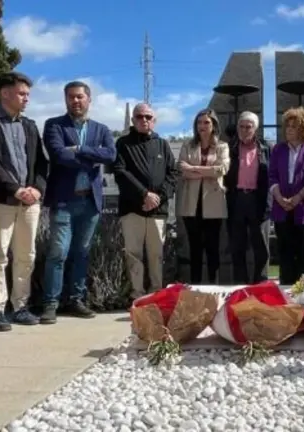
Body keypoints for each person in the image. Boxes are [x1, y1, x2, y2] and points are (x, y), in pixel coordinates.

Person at [0, 71, 48, 332]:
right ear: (5, 93)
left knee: (27, 255)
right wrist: (15, 189)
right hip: (2, 200)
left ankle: (21, 306)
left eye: (28, 94)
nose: (26, 99)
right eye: (22, 93)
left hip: (30, 203)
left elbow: (41, 163)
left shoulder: (29, 126)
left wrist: (37, 189)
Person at [40, 81, 116, 324]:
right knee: (58, 252)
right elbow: (59, 155)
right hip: (64, 200)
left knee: (81, 253)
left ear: (89, 99)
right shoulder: (54, 125)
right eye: (71, 97)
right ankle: (50, 303)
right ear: (65, 100)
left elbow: (111, 155)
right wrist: (91, 157)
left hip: (90, 202)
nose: (76, 101)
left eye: (80, 97)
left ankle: (76, 299)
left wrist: (80, 148)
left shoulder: (101, 129)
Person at [113, 103, 177, 301]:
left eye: (148, 117)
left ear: (154, 121)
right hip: (132, 210)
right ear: (133, 120)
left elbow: (173, 174)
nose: (144, 120)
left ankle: (156, 295)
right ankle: (137, 296)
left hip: (157, 211)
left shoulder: (163, 144)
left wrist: (156, 198)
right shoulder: (123, 143)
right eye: (139, 117)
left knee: (156, 256)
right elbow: (120, 172)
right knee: (134, 255)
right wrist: (144, 195)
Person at [269, 107, 304, 284]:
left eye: (294, 126)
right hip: (281, 209)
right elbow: (272, 176)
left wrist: (297, 198)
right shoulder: (278, 150)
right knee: (285, 257)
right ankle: (286, 300)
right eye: (288, 126)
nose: (289, 129)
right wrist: (279, 198)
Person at [176, 108, 230, 284]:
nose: (202, 126)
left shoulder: (222, 146)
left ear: (214, 125)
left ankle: (213, 285)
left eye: (206, 122)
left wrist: (194, 169)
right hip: (191, 204)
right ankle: (195, 285)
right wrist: (207, 172)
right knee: (195, 248)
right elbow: (182, 169)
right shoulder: (187, 145)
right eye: (199, 122)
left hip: (213, 204)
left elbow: (222, 169)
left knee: (213, 248)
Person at [225, 111, 271, 284]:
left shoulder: (266, 148)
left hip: (258, 200)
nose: (244, 130)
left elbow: (273, 175)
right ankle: (240, 287)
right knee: (237, 247)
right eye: (241, 126)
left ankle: (261, 285)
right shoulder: (230, 148)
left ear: (255, 129)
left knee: (261, 248)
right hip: (236, 200)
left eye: (248, 127)